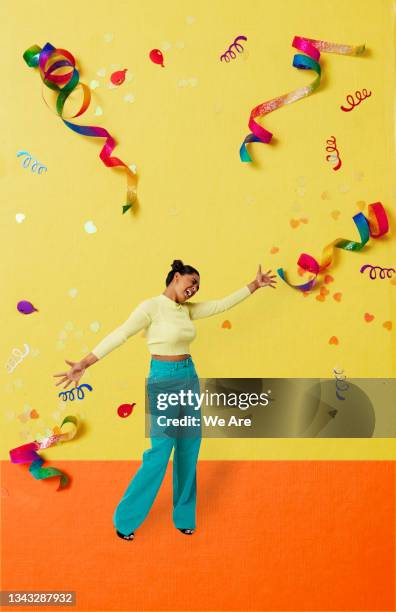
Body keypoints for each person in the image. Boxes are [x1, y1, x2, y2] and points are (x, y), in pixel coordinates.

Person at [53, 260, 276, 540]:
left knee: (188, 446)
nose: (194, 289)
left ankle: (183, 516)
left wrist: (254, 286)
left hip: (188, 375)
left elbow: (221, 305)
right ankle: (125, 520)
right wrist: (85, 362)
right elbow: (121, 334)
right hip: (162, 378)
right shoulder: (151, 307)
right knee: (160, 450)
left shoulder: (186, 311)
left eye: (197, 286)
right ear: (176, 277)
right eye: (191, 282)